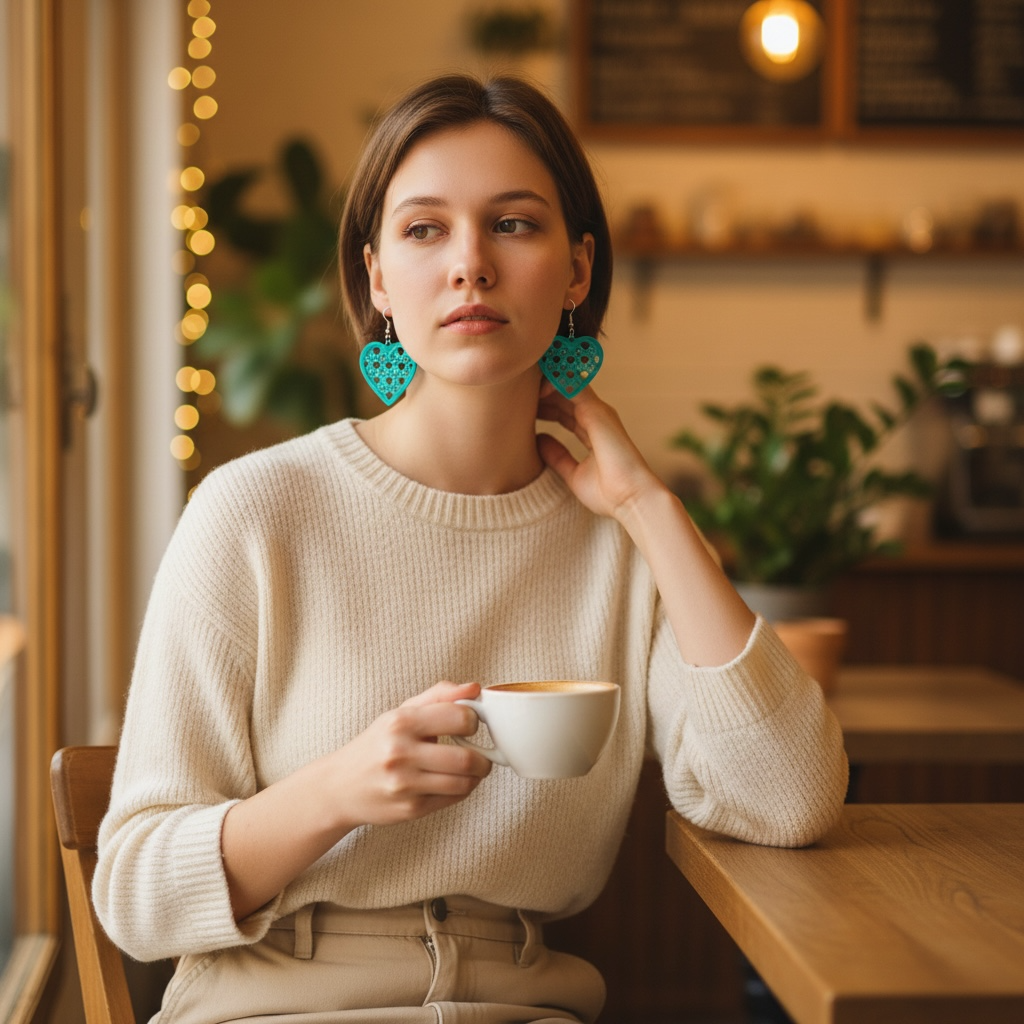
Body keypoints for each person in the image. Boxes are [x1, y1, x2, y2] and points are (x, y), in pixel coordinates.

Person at [94, 74, 848, 1024]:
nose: (470, 265)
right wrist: (336, 793)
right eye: (424, 229)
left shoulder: (622, 542)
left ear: (577, 271)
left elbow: (788, 801)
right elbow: (135, 894)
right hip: (273, 1005)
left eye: (513, 224)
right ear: (377, 277)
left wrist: (650, 509)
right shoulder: (253, 513)